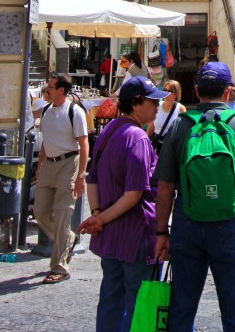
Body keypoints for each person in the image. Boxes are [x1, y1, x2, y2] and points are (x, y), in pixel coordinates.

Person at [154, 62, 235, 331]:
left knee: (181, 307)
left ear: (196, 91)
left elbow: (165, 187)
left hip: (187, 220)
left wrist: (161, 232)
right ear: (229, 92)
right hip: (231, 221)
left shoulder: (181, 125)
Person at [78, 77, 168, 329]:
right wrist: (99, 218)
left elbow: (92, 179)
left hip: (110, 235)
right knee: (138, 304)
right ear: (136, 103)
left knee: (111, 298)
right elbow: (133, 194)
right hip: (136, 234)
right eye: (153, 100)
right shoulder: (138, 138)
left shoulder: (108, 131)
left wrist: (98, 214)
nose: (158, 105)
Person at [34, 74, 89, 284]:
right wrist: (40, 165)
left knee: (63, 213)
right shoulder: (47, 111)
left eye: (50, 87)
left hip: (69, 162)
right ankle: (69, 239)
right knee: (40, 211)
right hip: (49, 164)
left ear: (61, 91)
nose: (46, 90)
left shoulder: (74, 111)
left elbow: (84, 144)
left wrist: (81, 175)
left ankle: (59, 267)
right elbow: (46, 142)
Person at [147, 79, 186, 152]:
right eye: (164, 90)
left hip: (172, 149)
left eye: (170, 91)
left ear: (176, 94)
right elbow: (150, 129)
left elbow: (183, 133)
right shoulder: (156, 106)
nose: (166, 93)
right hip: (157, 148)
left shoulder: (181, 109)